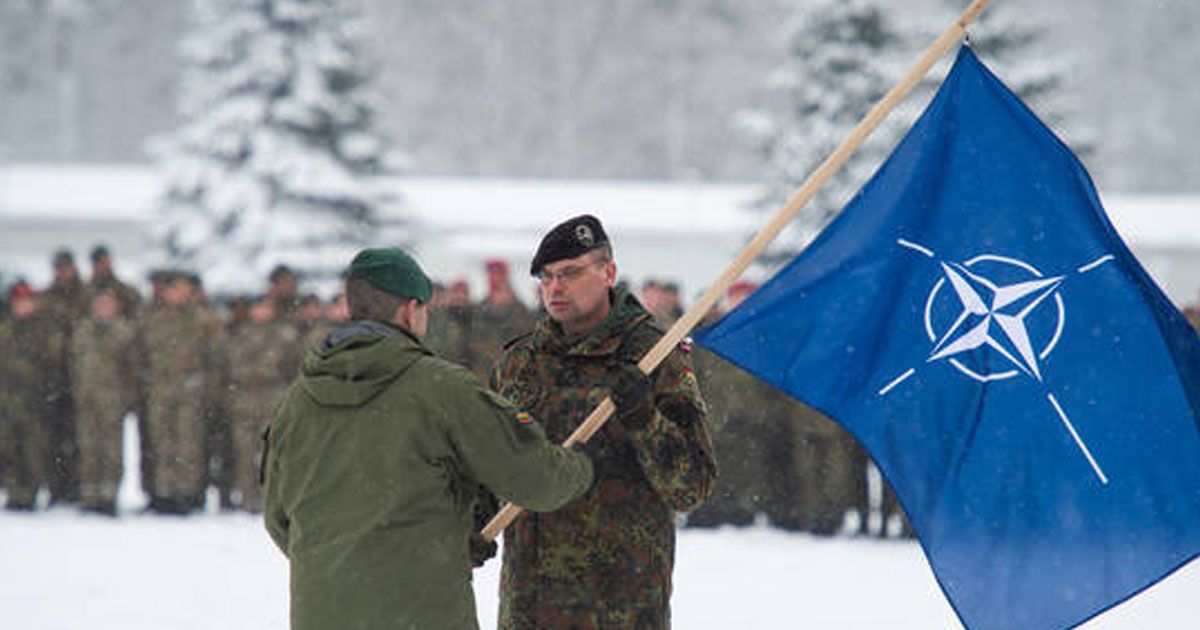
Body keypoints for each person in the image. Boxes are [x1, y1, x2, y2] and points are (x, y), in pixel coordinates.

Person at [262, 247, 594, 630]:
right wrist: (583, 463)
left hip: (322, 614)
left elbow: (279, 519)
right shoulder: (442, 389)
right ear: (410, 309)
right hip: (422, 615)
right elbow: (538, 480)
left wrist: (351, 562)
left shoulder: (297, 402)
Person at [491, 215, 717, 628]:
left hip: (620, 607)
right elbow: (491, 467)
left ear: (608, 273)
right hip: (532, 606)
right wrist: (472, 522)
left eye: (571, 274)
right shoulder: (519, 364)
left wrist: (644, 418)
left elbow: (692, 486)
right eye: (547, 277)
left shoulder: (655, 356)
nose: (555, 288)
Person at [137, 271, 223, 514]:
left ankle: (187, 493)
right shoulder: (152, 319)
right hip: (160, 390)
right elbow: (140, 354)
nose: (176, 294)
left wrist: (209, 390)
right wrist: (145, 383)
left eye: (181, 288)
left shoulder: (202, 320)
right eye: (171, 289)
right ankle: (164, 493)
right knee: (162, 444)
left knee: (188, 444)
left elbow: (215, 358)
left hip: (190, 391)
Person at [70, 288, 138, 515]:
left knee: (112, 451)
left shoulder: (125, 332)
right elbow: (73, 364)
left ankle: (109, 495)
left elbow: (133, 369)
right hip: (87, 400)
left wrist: (127, 398)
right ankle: (90, 495)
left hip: (112, 401)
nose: (103, 307)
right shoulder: (82, 331)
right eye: (100, 303)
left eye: (108, 303)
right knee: (88, 449)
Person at [0, 283, 64, 511]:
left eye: (26, 301)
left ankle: (30, 491)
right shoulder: (6, 329)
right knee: (9, 448)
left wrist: (48, 394)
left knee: (33, 449)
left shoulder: (44, 330)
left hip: (34, 401)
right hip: (8, 401)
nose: (22, 306)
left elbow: (54, 366)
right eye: (18, 301)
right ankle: (14, 491)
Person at [468, 259, 534, 378]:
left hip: (511, 375)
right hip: (483, 374)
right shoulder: (479, 308)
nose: (493, 278)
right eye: (491, 274)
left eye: (498, 274)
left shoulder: (520, 309)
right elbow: (471, 340)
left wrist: (505, 310)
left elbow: (526, 338)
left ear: (506, 277)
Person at [87, 244, 142, 320]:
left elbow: (137, 316)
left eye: (104, 262)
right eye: (98, 263)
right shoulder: (84, 292)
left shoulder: (126, 292)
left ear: (110, 261)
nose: (101, 266)